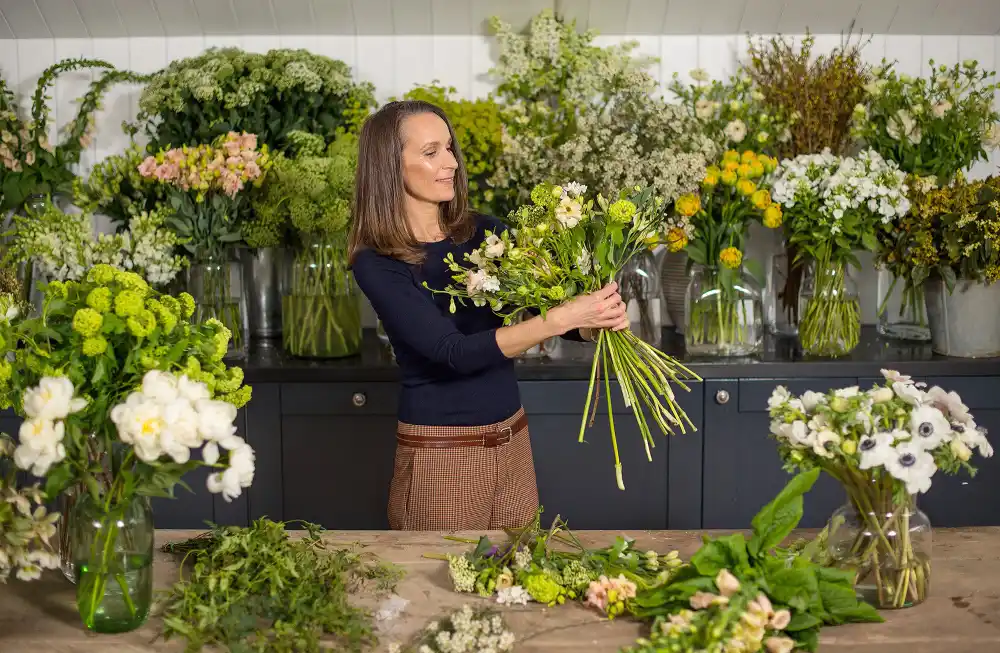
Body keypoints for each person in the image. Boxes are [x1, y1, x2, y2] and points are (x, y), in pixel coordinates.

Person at [348, 100, 629, 531]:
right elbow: (452, 352)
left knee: (516, 585)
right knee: (438, 590)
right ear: (390, 166)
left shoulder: (485, 232)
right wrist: (560, 318)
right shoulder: (378, 260)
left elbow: (544, 306)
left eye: (450, 149)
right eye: (431, 152)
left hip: (512, 436)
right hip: (442, 452)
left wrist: (594, 321)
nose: (451, 164)